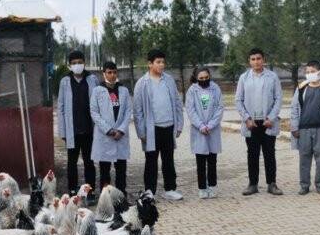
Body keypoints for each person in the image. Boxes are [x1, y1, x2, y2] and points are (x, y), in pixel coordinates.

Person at [133, 49, 184, 200]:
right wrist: (141, 132)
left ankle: (170, 189)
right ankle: (149, 191)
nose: (161, 65)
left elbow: (177, 102)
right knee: (151, 161)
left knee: (168, 159)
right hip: (151, 128)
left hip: (168, 126)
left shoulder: (168, 80)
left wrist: (179, 124)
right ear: (150, 64)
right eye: (158, 62)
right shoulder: (142, 83)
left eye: (163, 62)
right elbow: (137, 110)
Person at [234, 48, 283, 196]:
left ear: (264, 60)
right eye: (253, 59)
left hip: (268, 122)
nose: (256, 62)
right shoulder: (244, 78)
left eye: (259, 58)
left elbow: (278, 99)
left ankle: (272, 184)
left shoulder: (272, 77)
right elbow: (238, 100)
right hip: (251, 123)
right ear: (249, 61)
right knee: (252, 154)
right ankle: (253, 184)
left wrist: (271, 118)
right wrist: (246, 119)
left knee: (269, 153)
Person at [290, 61, 320, 195]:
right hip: (304, 129)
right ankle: (304, 185)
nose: (309, 74)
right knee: (304, 157)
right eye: (307, 72)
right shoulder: (301, 88)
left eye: (312, 71)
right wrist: (294, 127)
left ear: (319, 72)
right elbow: (294, 108)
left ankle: (319, 184)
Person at [57, 49, 99, 195]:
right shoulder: (65, 81)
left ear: (84, 63)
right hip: (72, 130)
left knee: (89, 162)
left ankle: (89, 190)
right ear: (69, 65)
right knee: (72, 162)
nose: (77, 65)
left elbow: (98, 103)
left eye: (80, 62)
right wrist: (62, 131)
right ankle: (73, 189)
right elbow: (61, 107)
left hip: (89, 128)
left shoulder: (92, 79)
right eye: (74, 63)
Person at [90, 61, 131, 193]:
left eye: (114, 72)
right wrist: (108, 129)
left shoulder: (124, 90)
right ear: (104, 74)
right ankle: (105, 198)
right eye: (109, 72)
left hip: (120, 136)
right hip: (105, 136)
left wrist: (121, 129)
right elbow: (94, 113)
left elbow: (128, 112)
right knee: (104, 171)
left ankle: (121, 197)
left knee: (121, 170)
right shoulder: (97, 91)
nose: (112, 75)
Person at [185, 66, 224, 199]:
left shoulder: (215, 88)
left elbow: (220, 108)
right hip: (199, 131)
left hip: (213, 130)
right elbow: (190, 110)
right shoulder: (192, 91)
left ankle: (213, 186)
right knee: (200, 161)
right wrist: (201, 126)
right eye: (201, 78)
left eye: (206, 78)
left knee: (212, 160)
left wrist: (211, 125)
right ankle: (202, 187)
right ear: (196, 78)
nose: (204, 80)